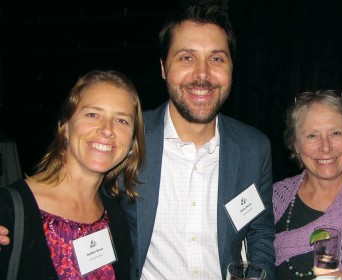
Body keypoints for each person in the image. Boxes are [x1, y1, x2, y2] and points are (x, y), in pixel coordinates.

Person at [120, 4, 276, 280]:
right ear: (163, 68)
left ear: (231, 68)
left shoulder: (254, 148)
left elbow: (260, 232)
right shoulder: (128, 137)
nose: (202, 75)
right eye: (186, 58)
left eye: (216, 59)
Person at [0, 70, 145, 279]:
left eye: (122, 120)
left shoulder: (115, 216)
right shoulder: (9, 211)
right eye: (93, 114)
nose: (107, 130)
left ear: (132, 142)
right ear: (65, 127)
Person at [273, 90, 342, 280]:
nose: (325, 148)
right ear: (295, 145)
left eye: (336, 133)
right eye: (312, 136)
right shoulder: (272, 200)